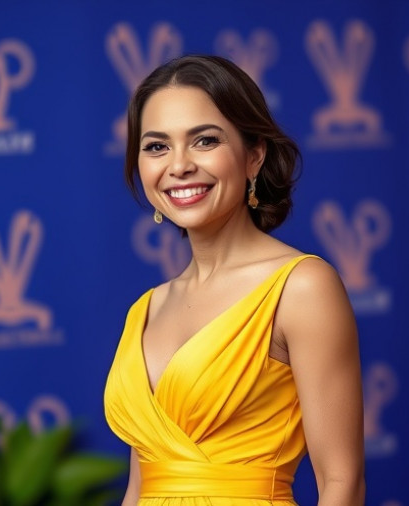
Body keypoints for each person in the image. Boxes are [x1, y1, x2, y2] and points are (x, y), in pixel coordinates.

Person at [104, 55, 364, 505]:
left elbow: (343, 482)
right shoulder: (145, 308)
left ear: (254, 156)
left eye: (204, 141)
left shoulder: (301, 286)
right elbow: (140, 488)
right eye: (156, 146)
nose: (179, 165)